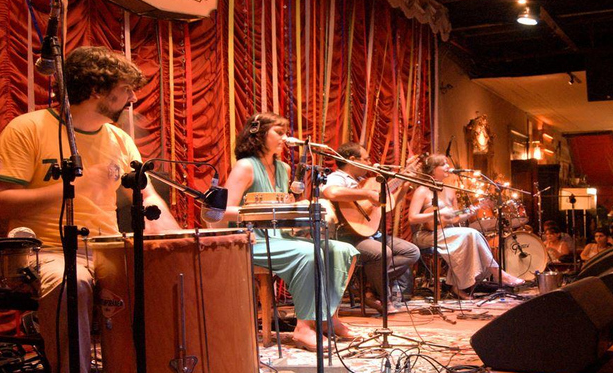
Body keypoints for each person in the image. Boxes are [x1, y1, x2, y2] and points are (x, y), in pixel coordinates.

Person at [0, 46, 181, 373]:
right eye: (125, 89)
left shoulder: (118, 139)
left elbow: (144, 193)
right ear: (96, 90)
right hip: (48, 249)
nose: (132, 98)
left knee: (169, 276)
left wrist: (169, 233)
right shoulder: (28, 128)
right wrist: (72, 187)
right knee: (70, 283)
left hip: (106, 248)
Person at [213, 112, 358, 351]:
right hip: (252, 240)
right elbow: (223, 209)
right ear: (258, 134)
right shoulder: (245, 166)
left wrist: (300, 208)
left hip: (281, 238)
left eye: (285, 133)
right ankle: (303, 329)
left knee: (344, 250)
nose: (285, 138)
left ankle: (327, 317)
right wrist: (260, 211)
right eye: (279, 133)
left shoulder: (283, 169)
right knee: (309, 254)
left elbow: (285, 207)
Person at [321, 142, 420, 314]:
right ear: (352, 160)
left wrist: (404, 183)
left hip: (370, 233)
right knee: (382, 252)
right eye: (366, 159)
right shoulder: (339, 177)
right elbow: (332, 193)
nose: (369, 163)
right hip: (347, 235)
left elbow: (389, 205)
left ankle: (367, 286)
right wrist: (366, 194)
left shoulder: (364, 181)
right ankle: (381, 295)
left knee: (411, 251)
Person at [408, 154, 524, 299]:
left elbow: (456, 218)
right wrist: (436, 213)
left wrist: (471, 212)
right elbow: (412, 218)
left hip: (448, 232)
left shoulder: (449, 190)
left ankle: (458, 285)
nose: (448, 167)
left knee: (470, 235)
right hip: (425, 235)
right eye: (443, 164)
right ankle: (497, 273)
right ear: (432, 170)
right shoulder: (422, 191)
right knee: (470, 234)